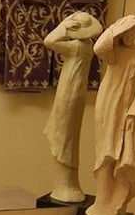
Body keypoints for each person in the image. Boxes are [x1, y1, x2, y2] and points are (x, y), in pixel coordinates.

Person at [85, 14, 135, 215]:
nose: (132, 36)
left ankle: (115, 201)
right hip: (107, 103)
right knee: (104, 152)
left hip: (126, 109)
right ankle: (102, 201)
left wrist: (133, 114)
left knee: (118, 151)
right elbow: (98, 48)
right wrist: (116, 27)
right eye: (129, 31)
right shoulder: (114, 51)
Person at [42, 11, 103, 203]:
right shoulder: (87, 45)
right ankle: (67, 183)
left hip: (69, 92)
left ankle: (65, 185)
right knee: (66, 134)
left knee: (63, 134)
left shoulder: (77, 46)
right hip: (75, 91)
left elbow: (49, 41)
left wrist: (65, 25)